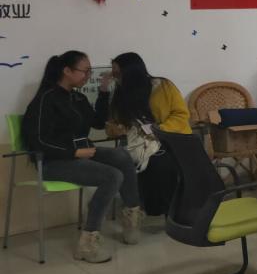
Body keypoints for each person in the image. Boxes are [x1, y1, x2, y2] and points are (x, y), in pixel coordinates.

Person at [21, 51, 143, 263]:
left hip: (81, 153)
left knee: (122, 156)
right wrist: (73, 152)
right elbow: (37, 140)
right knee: (111, 176)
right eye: (84, 71)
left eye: (89, 71)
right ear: (67, 71)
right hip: (52, 162)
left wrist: (103, 91)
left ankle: (131, 215)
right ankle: (87, 243)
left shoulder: (78, 98)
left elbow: (98, 122)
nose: (88, 75)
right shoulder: (45, 99)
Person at [106, 52, 191, 216]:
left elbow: (181, 114)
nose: (115, 77)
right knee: (133, 161)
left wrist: (160, 129)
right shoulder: (120, 93)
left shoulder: (163, 86)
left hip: (170, 139)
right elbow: (115, 123)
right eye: (113, 72)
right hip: (139, 142)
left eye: (117, 73)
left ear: (131, 72)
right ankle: (146, 208)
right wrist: (118, 128)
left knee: (160, 163)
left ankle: (167, 210)